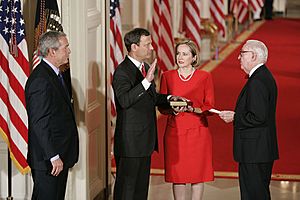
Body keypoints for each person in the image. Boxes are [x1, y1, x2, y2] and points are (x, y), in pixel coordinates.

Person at [112, 28, 182, 200]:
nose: (151, 48)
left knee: (141, 190)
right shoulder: (122, 72)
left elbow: (151, 98)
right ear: (134, 47)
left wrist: (171, 99)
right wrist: (145, 82)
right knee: (126, 191)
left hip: (145, 140)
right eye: (147, 44)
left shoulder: (145, 67)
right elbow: (124, 101)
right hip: (130, 143)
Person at [219, 40, 279, 200]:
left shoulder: (257, 81)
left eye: (242, 53)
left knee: (253, 195)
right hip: (259, 149)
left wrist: (234, 117)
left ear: (253, 56)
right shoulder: (263, 76)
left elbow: (258, 117)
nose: (239, 57)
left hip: (254, 151)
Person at [25, 31, 79, 200]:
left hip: (58, 155)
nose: (69, 51)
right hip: (48, 160)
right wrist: (53, 156)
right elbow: (39, 122)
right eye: (66, 47)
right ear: (52, 51)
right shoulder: (41, 80)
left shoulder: (55, 74)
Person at [159, 39, 215, 200]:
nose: (180, 57)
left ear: (194, 57)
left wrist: (191, 109)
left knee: (198, 174)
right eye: (178, 53)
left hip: (198, 132)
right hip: (175, 133)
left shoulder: (204, 77)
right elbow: (162, 106)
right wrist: (173, 110)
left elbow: (209, 106)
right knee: (178, 176)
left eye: (185, 54)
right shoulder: (167, 76)